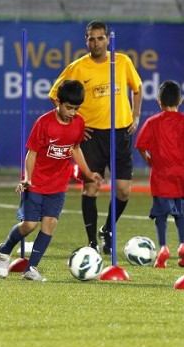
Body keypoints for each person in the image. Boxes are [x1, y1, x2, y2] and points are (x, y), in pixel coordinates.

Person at [48, 20, 142, 255]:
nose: (96, 42)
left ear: (108, 40)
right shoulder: (78, 67)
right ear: (86, 40)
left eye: (101, 38)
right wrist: (74, 122)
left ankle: (108, 230)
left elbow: (137, 88)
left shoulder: (122, 62)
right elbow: (55, 95)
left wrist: (136, 115)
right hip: (91, 136)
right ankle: (91, 243)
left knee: (123, 191)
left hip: (120, 133)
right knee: (91, 187)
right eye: (92, 38)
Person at [0, 80, 103, 281]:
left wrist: (88, 173)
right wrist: (27, 178)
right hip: (35, 181)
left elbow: (75, 149)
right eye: (68, 108)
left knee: (50, 222)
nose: (72, 112)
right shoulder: (44, 124)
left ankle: (31, 268)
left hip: (59, 183)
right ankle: (4, 250)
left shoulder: (78, 123)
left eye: (76, 109)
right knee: (29, 225)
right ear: (58, 102)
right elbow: (32, 153)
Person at [135, 80, 184, 268]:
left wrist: (148, 159)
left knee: (161, 215)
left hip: (161, 175)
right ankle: (183, 245)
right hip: (182, 175)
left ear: (159, 102)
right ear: (180, 100)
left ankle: (163, 248)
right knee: (180, 213)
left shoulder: (152, 122)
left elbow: (139, 145)